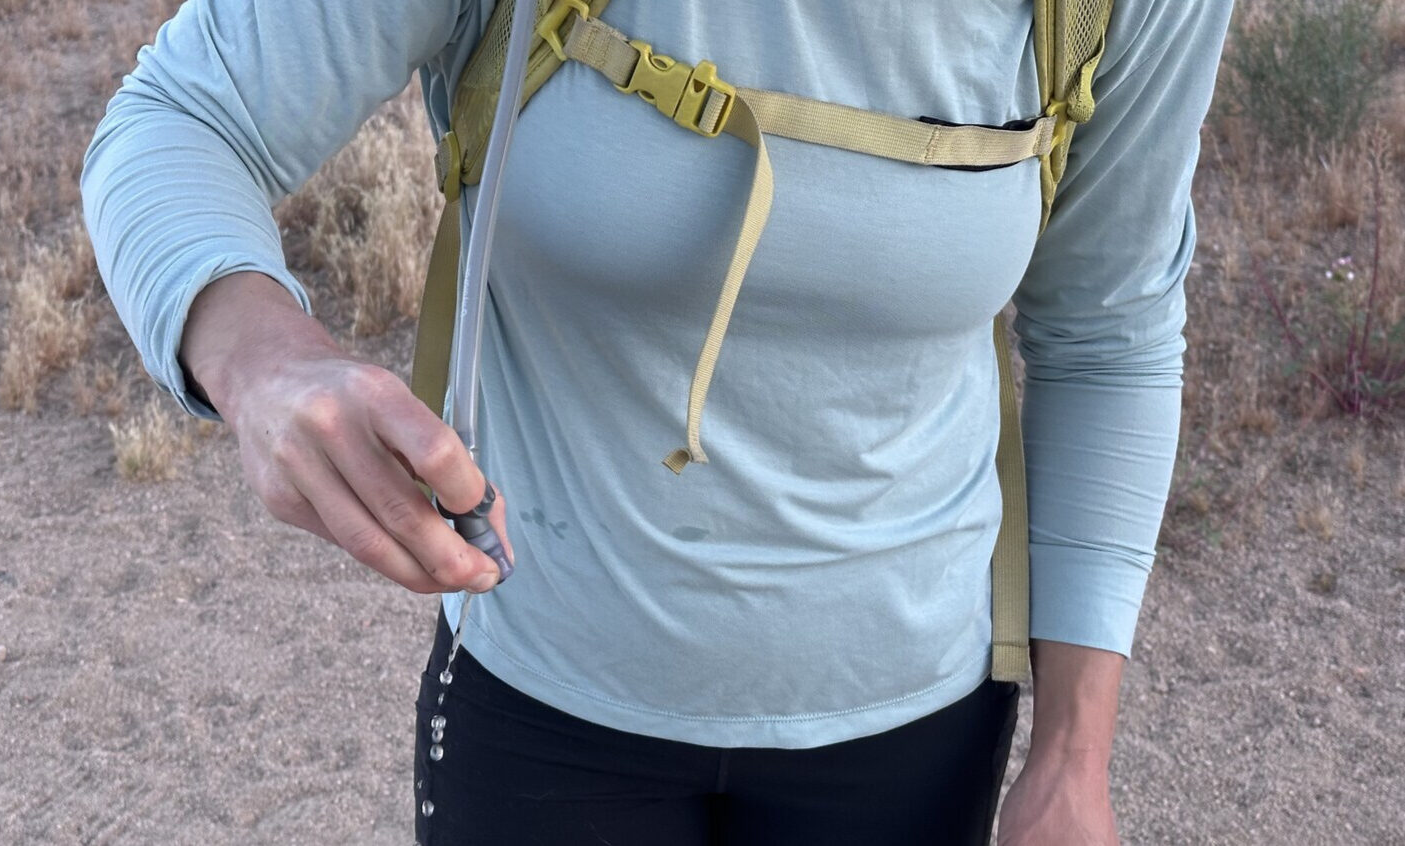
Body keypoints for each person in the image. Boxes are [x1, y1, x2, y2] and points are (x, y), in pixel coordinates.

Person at [82, 1, 1233, 843]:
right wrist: (262, 358)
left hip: (915, 734)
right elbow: (183, 116)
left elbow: (1109, 329)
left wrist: (1074, 762)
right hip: (540, 698)